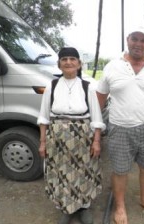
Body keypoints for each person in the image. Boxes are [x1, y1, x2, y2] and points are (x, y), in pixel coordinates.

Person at [96, 24, 144, 224]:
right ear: (128, 40)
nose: (138, 44)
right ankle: (120, 206)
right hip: (119, 127)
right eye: (134, 39)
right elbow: (100, 97)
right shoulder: (113, 66)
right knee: (120, 170)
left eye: (143, 40)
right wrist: (97, 124)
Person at [37, 47, 106, 224]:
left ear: (79, 63)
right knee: (61, 172)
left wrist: (96, 141)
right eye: (64, 59)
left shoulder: (87, 87)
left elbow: (96, 117)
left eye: (72, 59)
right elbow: (44, 117)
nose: (68, 62)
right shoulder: (51, 86)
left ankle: (84, 207)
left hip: (82, 137)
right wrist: (43, 142)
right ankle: (66, 208)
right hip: (57, 138)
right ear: (59, 64)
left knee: (85, 171)